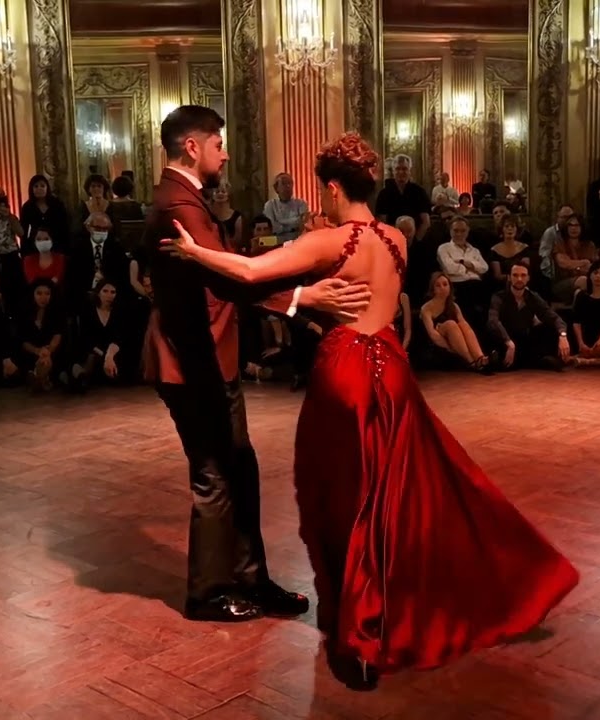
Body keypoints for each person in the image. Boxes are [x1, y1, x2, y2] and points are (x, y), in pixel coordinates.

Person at [164, 131, 579, 690]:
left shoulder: (331, 242)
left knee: (350, 504)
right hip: (394, 369)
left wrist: (193, 252)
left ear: (334, 188)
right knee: (398, 497)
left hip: (346, 377)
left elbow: (249, 273)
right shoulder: (396, 240)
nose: (322, 202)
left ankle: (360, 637)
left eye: (323, 193)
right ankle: (398, 602)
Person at [144, 106, 373, 626]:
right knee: (214, 475)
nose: (224, 151)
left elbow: (230, 265)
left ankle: (251, 579)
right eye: (217, 142)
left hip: (210, 356)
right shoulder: (175, 204)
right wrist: (305, 297)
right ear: (191, 148)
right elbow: (229, 280)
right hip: (190, 361)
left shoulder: (191, 201)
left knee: (238, 468)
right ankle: (207, 594)